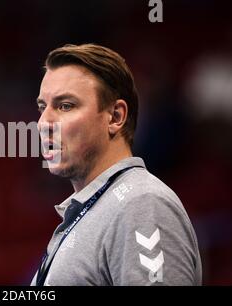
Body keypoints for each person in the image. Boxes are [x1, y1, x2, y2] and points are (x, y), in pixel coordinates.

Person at [31, 43, 202, 286]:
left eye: (65, 105)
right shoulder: (93, 212)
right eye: (42, 107)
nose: (43, 122)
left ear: (116, 117)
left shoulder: (141, 204)